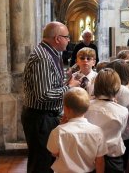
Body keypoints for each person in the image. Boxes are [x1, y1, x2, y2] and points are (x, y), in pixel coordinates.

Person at [21, 21, 80, 173]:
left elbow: (50, 86)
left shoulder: (51, 53)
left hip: (46, 117)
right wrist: (70, 87)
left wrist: (65, 82)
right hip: (40, 118)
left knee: (48, 161)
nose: (69, 40)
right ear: (57, 38)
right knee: (41, 163)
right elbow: (43, 95)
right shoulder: (43, 58)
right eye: (67, 37)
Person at [47, 87, 107, 173]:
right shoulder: (97, 131)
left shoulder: (58, 131)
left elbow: (54, 153)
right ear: (87, 108)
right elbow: (100, 161)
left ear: (66, 109)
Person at [85, 68, 129, 173]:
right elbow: (121, 132)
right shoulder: (122, 111)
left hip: (88, 157)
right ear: (117, 87)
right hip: (112, 159)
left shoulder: (85, 107)